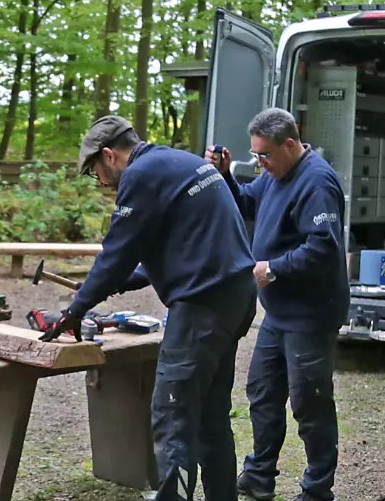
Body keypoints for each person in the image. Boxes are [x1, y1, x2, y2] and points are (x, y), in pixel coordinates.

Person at [39, 115, 258, 501]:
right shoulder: (181, 163)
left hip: (203, 307)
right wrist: (120, 283)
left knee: (172, 415)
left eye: (97, 173)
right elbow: (169, 245)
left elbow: (116, 255)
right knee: (209, 415)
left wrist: (75, 310)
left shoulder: (139, 176)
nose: (102, 183)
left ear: (109, 155)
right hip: (236, 297)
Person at [205, 108, 348, 501]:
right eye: (256, 156)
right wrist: (225, 175)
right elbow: (246, 204)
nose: (261, 164)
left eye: (265, 155)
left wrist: (275, 269)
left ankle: (318, 490)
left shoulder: (316, 181)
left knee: (310, 404)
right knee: (263, 394)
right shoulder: (274, 175)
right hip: (279, 314)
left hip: (310, 315)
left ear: (290, 144)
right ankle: (259, 476)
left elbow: (323, 247)